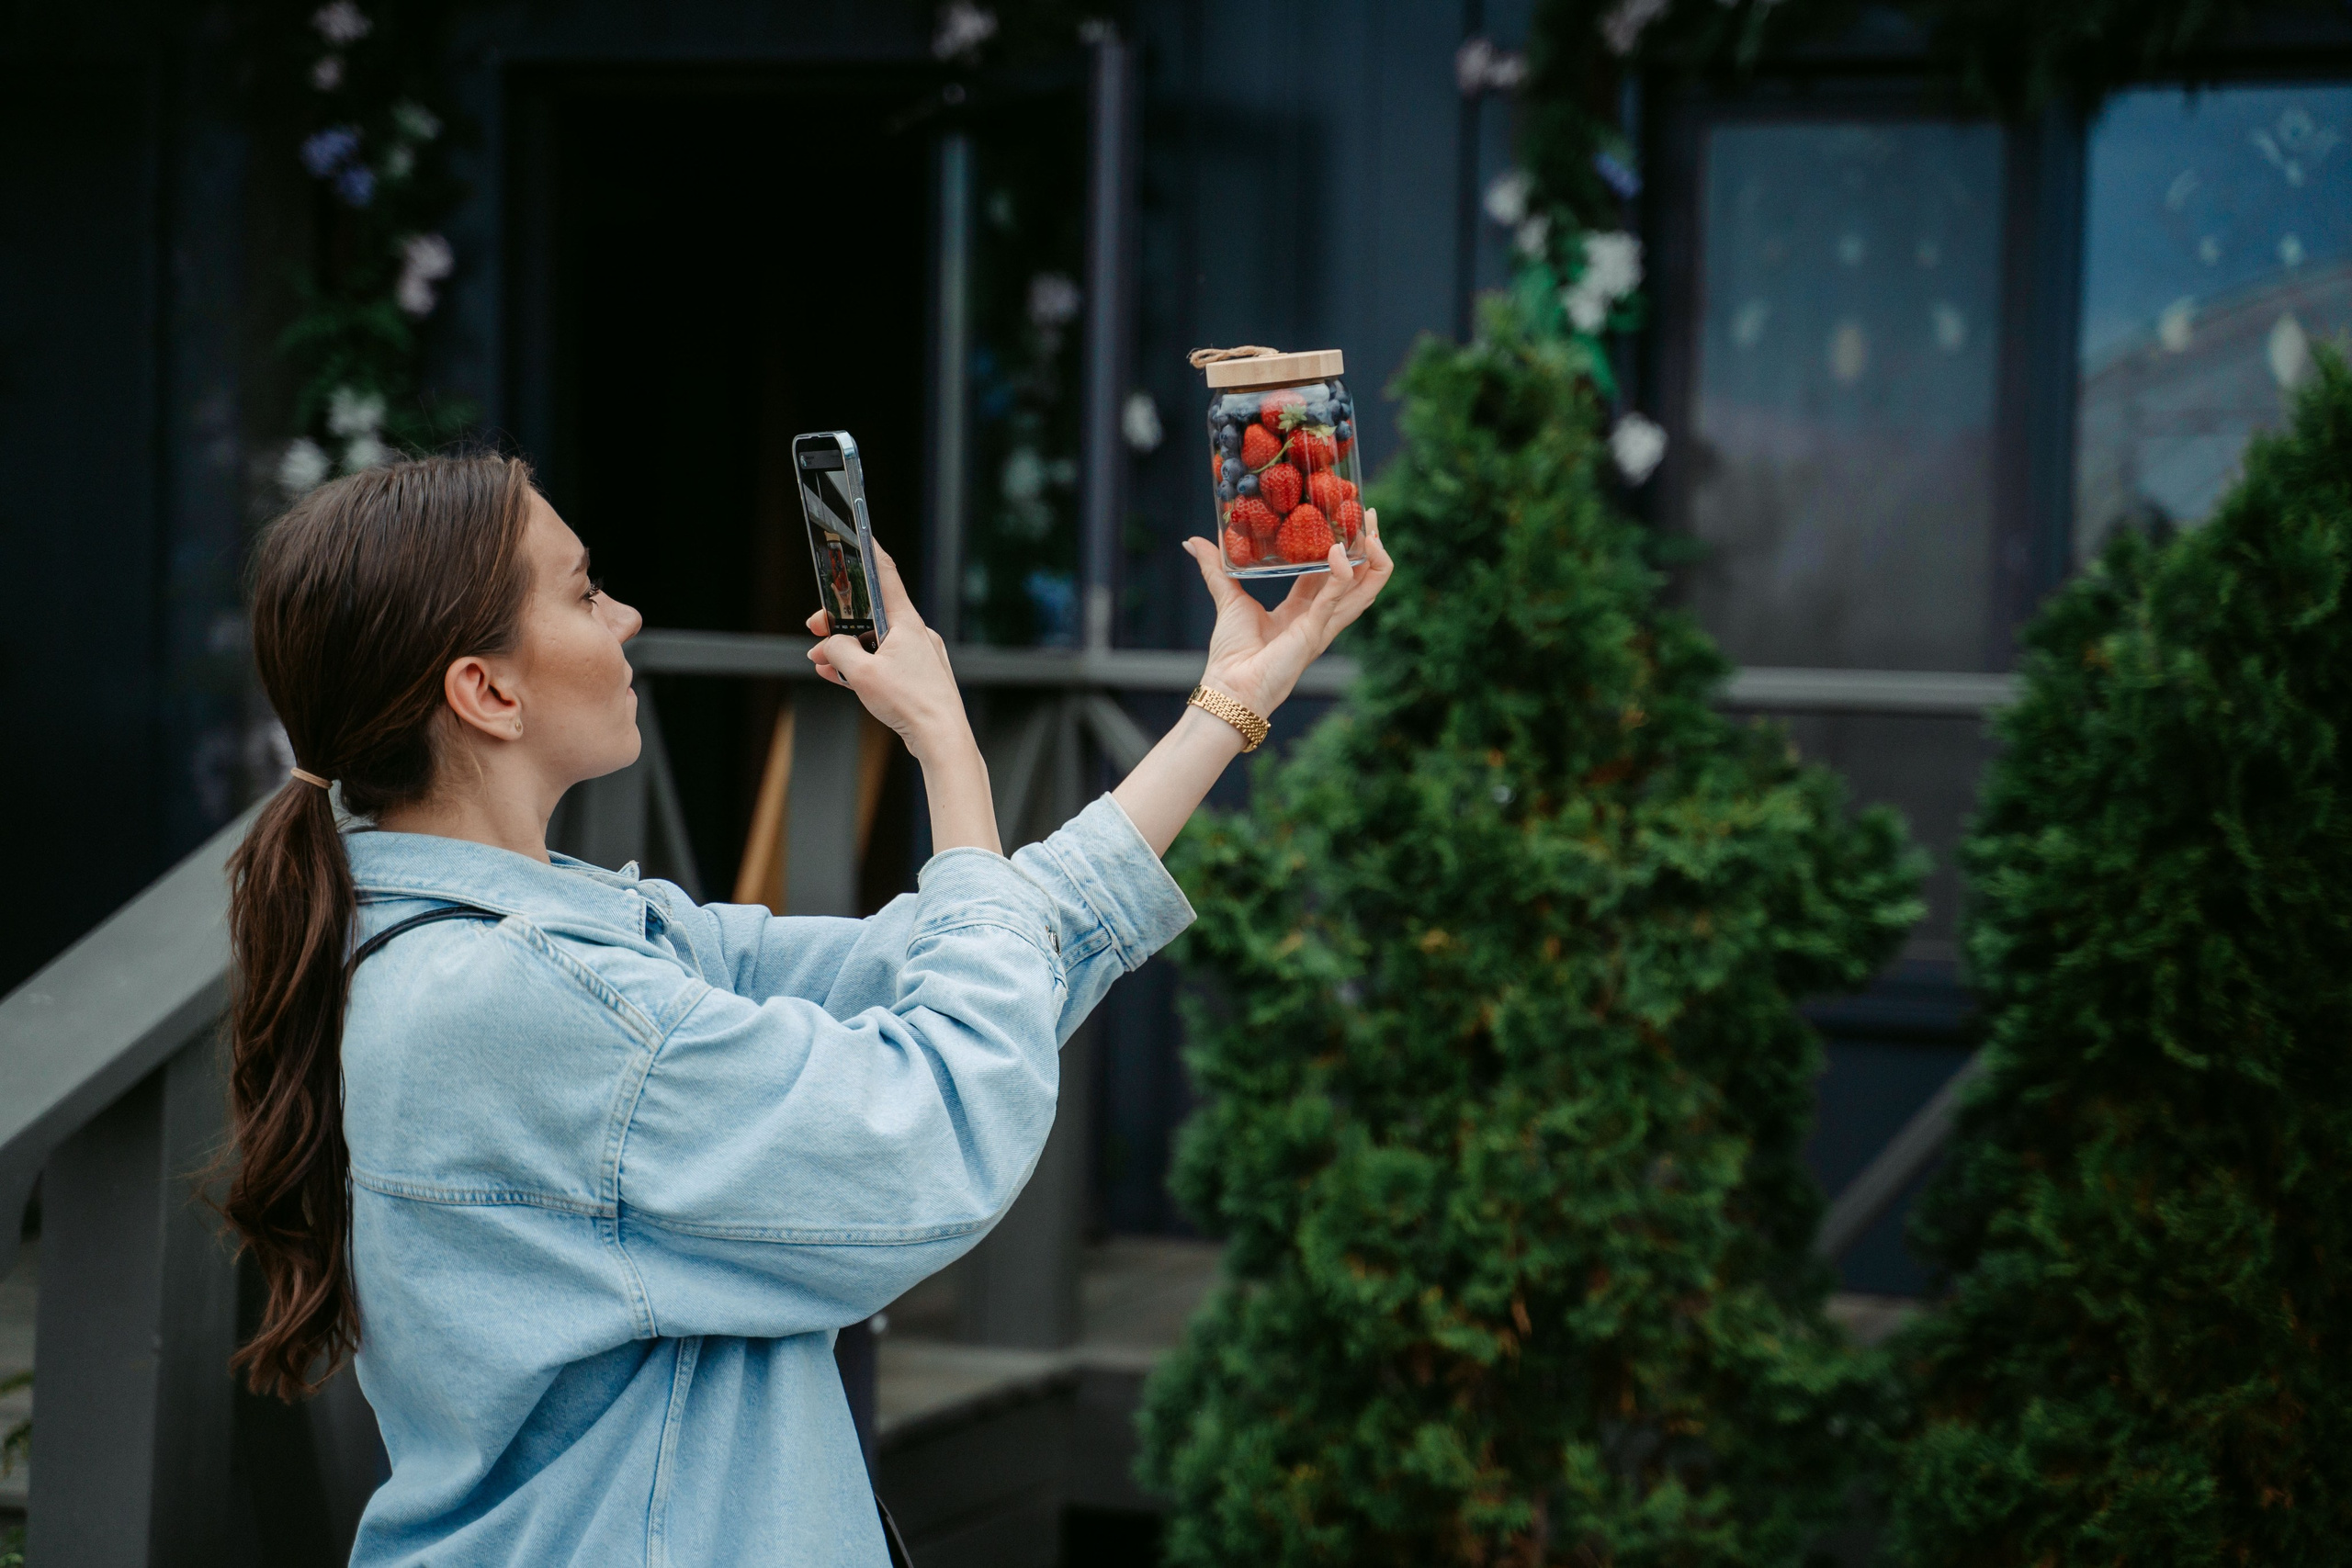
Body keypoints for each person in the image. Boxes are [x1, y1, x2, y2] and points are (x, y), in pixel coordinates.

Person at [220, 453, 1390, 1565]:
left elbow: (942, 965)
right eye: (584, 594)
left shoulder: (543, 945)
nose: (625, 618)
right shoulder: (529, 999)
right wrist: (945, 750)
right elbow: (931, 1125)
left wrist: (1224, 706)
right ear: (485, 691)